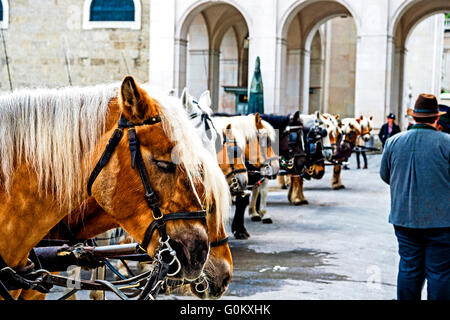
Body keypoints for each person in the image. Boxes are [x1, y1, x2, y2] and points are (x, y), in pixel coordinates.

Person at [380, 93, 450, 300]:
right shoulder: (447, 143)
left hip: (404, 219)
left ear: (413, 118)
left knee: (409, 268)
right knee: (439, 273)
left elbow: (386, 176)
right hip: (441, 221)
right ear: (436, 118)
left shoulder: (393, 142)